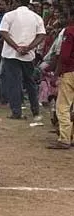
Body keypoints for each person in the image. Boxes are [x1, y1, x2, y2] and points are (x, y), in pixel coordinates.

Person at [0, 0, 46, 120]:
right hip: (28, 55)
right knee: (30, 82)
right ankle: (35, 110)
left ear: (17, 1)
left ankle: (16, 111)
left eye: (13, 1)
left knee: (14, 83)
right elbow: (41, 35)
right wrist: (29, 47)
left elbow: (3, 32)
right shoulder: (36, 17)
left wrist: (16, 47)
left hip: (11, 54)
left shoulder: (10, 15)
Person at [48, 8, 74, 149]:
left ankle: (64, 138)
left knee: (63, 106)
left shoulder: (69, 31)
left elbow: (63, 56)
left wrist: (57, 74)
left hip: (70, 71)